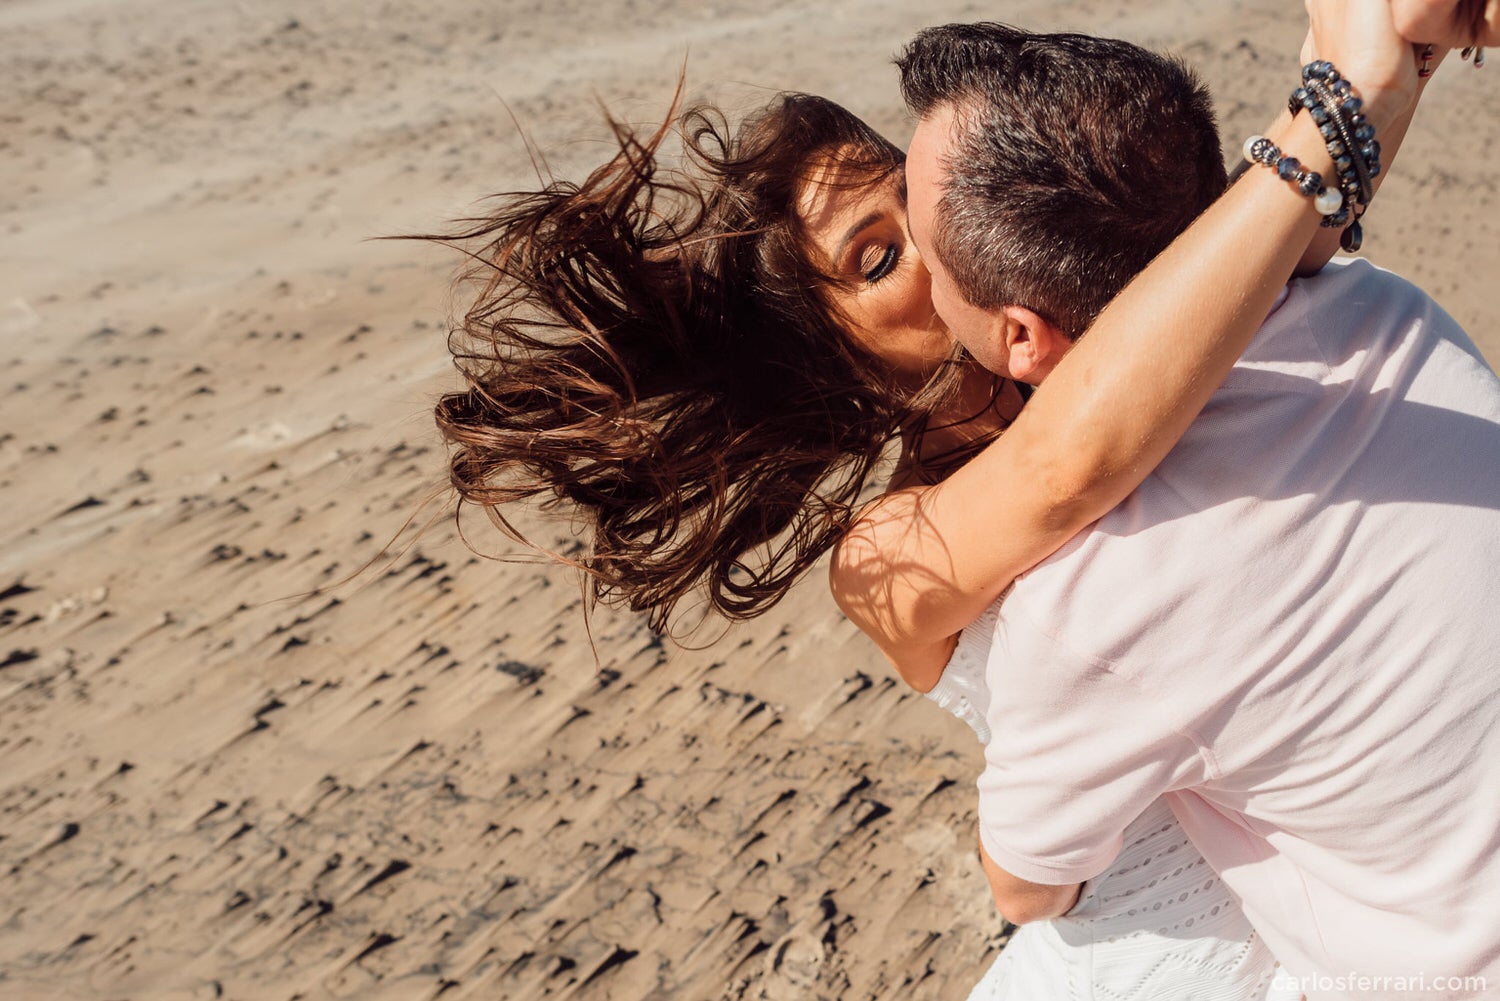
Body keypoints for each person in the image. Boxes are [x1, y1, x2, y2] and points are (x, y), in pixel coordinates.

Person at [426, 7, 1426, 999]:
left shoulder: (1117, 346)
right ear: (832, 355)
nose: (937, 238)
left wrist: (1388, 49)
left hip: (1343, 896)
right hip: (1161, 955)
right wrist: (1348, 94)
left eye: (913, 195)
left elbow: (1248, 234)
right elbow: (1067, 463)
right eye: (875, 260)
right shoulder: (888, 550)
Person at [848, 10, 1500, 999]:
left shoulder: (1086, 606)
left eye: (926, 265)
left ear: (1021, 336)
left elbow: (1027, 884)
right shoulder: (1381, 309)